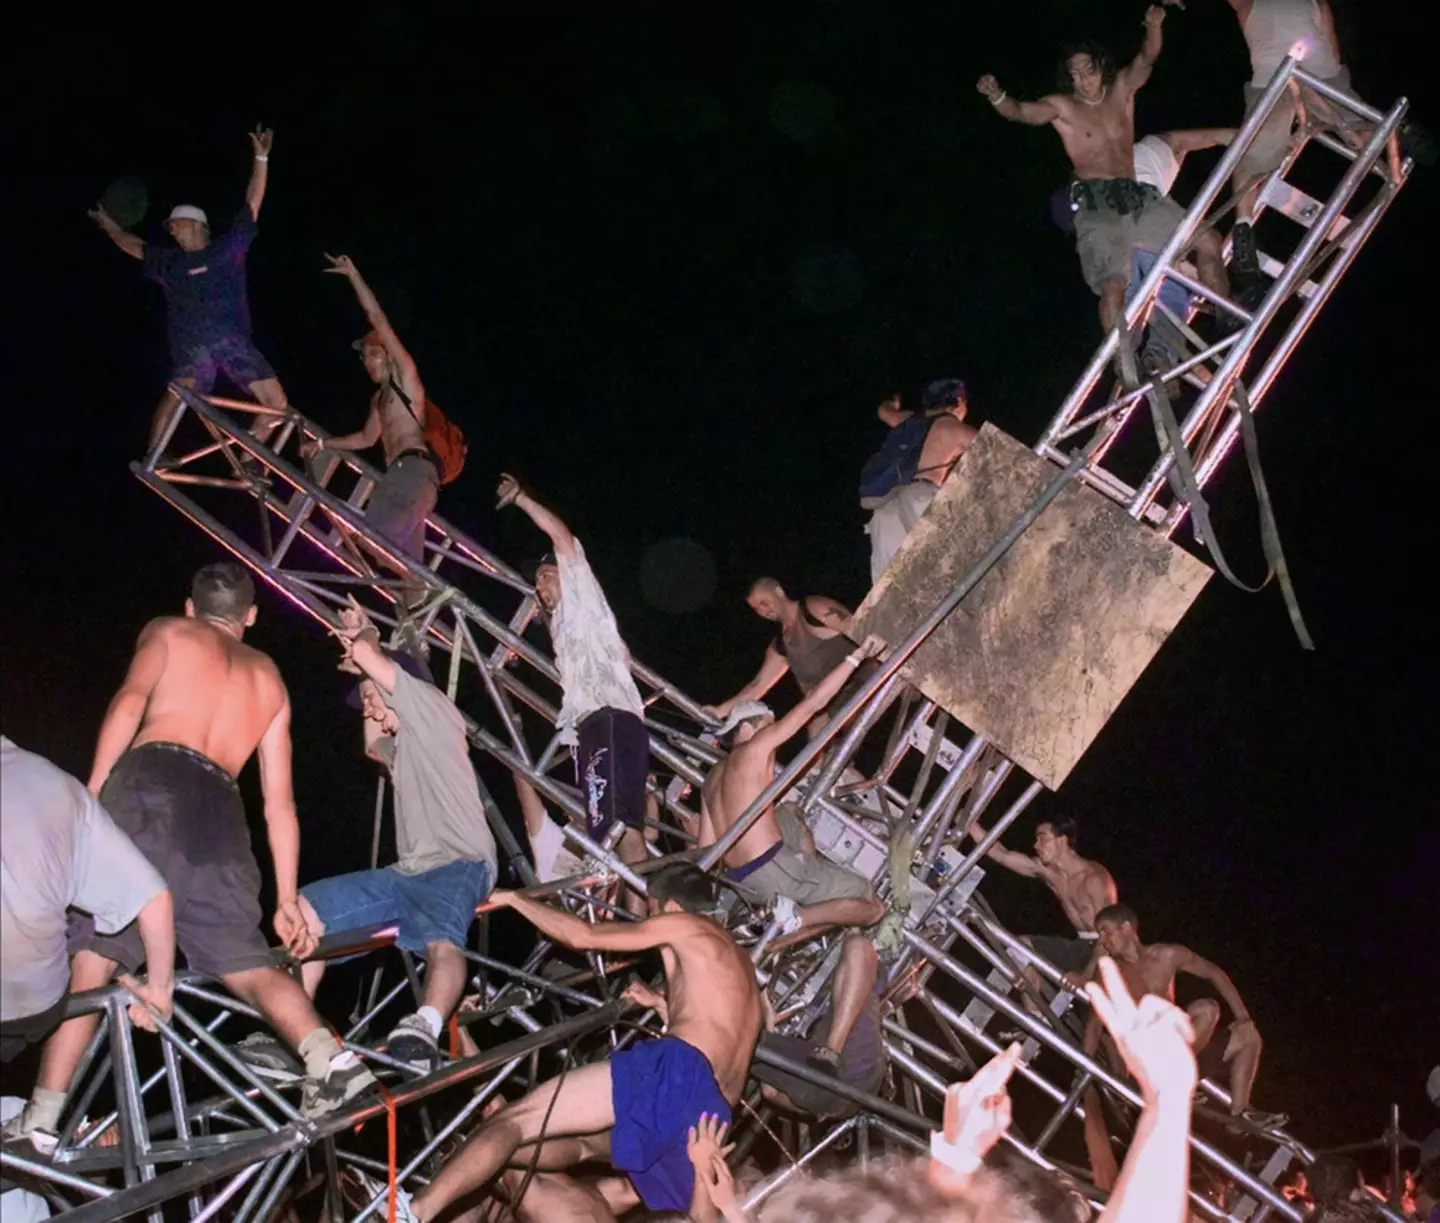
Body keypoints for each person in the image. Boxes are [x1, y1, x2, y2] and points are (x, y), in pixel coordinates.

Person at [13, 563, 376, 1134]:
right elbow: (280, 804)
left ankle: (41, 1118)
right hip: (223, 810)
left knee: (95, 954)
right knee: (246, 957)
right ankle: (331, 1060)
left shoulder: (168, 631)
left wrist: (91, 797)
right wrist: (285, 896)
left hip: (151, 784)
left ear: (190, 607)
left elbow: (130, 702)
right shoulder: (270, 678)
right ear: (250, 618)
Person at [384, 863, 763, 1220]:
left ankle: (414, 1213)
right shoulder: (745, 974)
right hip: (712, 1116)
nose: (653, 925)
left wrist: (516, 899)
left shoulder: (686, 926)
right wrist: (661, 1004)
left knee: (515, 1119)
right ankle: (487, 1166)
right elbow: (710, 1026)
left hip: (678, 1072)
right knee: (579, 1148)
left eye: (653, 914)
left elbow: (584, 936)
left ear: (675, 908)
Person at [282, 602, 496, 1070]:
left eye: (375, 699)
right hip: (406, 875)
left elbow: (377, 665)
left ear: (396, 685)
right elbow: (368, 745)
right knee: (303, 911)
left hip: (457, 861)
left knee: (443, 940)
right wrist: (363, 673)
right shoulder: (401, 747)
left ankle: (425, 1025)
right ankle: (296, 1031)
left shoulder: (429, 708)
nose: (373, 711)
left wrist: (368, 637)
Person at [978, 10, 1232, 338]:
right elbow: (1024, 113)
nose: (1083, 80)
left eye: (1089, 70)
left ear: (1101, 67)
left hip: (1138, 196)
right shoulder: (1063, 107)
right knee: (1114, 282)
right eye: (1075, 75)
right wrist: (998, 96)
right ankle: (1124, 361)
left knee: (1208, 240)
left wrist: (1154, 26)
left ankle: (1227, 314)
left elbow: (1147, 57)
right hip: (1096, 203)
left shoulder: (1121, 92)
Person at [698, 642, 887, 1069]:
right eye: (766, 721)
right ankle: (799, 916)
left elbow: (705, 849)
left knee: (790, 812)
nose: (772, 728)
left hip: (742, 877)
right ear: (750, 726)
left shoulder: (712, 778)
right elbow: (814, 706)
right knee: (870, 904)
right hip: (776, 873)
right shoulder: (755, 748)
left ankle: (798, 906)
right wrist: (856, 660)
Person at [1174, 0, 1416, 308]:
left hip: (1279, 80)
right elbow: (1334, 52)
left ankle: (1243, 223)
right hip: (1309, 77)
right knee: (1351, 118)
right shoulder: (1310, 3)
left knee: (1252, 154)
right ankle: (1395, 132)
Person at [494, 474, 652, 899]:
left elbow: (563, 537)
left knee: (616, 832)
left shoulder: (582, 593)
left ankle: (642, 922)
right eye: (539, 583)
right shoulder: (563, 623)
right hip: (599, 725)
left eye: (546, 577)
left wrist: (523, 498)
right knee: (622, 833)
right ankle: (643, 921)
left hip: (610, 719)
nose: (542, 588)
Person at [87, 128, 288, 453]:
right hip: (195, 348)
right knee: (181, 391)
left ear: (196, 224)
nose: (172, 229)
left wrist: (261, 158)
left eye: (176, 223)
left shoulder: (225, 251)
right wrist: (107, 223)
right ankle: (157, 453)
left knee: (277, 403)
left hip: (233, 341)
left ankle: (250, 456)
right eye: (170, 226)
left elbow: (252, 203)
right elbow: (134, 244)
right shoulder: (171, 263)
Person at [1, 739, 175, 1089]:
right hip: (37, 1000)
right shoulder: (62, 786)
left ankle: (41, 1119)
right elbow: (155, 899)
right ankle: (42, 1118)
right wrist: (160, 989)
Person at [1081, 903, 1280, 1188]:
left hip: (1183, 1053)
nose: (1103, 940)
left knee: (1226, 1020)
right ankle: (1180, 1081)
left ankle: (1239, 1113)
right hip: (1147, 1062)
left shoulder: (1166, 955)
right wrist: (1084, 1069)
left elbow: (1215, 973)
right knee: (1204, 1010)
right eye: (1100, 935)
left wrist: (1243, 1016)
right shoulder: (1111, 973)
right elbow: (1093, 1025)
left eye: (1106, 932)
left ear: (1127, 927)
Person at [301, 255, 439, 572]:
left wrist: (353, 275)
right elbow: (366, 438)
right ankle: (413, 612)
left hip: (412, 471)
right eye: (363, 358)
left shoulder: (405, 378)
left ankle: (420, 592)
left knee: (371, 539)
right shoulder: (379, 399)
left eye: (373, 355)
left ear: (388, 356)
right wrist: (323, 445)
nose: (367, 363)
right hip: (401, 477)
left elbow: (376, 317)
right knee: (404, 564)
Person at [964, 815, 1117, 987]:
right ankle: (1036, 1013)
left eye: (1042, 837)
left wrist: (1084, 977)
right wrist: (969, 821)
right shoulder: (1048, 873)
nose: (1036, 845)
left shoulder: (1093, 878)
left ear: (1061, 840)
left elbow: (1110, 936)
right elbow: (1001, 854)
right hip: (1080, 946)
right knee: (1022, 947)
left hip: (1107, 953)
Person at [702, 579, 863, 740]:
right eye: (757, 608)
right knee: (814, 727)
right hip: (825, 705)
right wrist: (719, 711)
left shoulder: (813, 608)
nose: (763, 610)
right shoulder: (780, 645)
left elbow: (862, 629)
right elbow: (757, 686)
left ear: (779, 591)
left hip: (861, 682)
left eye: (764, 602)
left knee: (830, 719)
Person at [753, 933, 888, 1118]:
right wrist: (768, 1018)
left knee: (858, 948)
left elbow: (770, 1093)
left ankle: (830, 1053)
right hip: (836, 1086)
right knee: (858, 949)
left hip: (846, 1082)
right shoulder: (833, 1102)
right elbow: (770, 1093)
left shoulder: (853, 1086)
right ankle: (830, 1053)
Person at [862, 380, 978, 584]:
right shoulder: (952, 427)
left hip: (886, 507)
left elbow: (884, 412)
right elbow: (998, 451)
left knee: (888, 584)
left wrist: (891, 405)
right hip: (921, 499)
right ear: (959, 401)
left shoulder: (911, 419)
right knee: (950, 568)